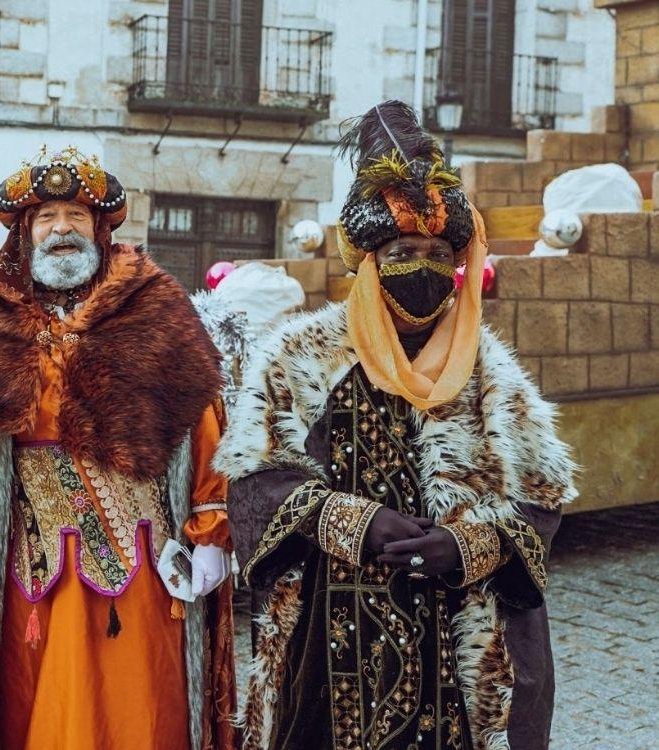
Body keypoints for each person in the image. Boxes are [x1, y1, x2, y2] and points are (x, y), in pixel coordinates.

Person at [216, 101, 576, 750]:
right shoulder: (299, 360)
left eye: (440, 252)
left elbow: (541, 505)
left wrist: (469, 546)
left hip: (454, 637)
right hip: (326, 642)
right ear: (370, 261)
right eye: (404, 250)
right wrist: (351, 521)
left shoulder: (494, 377)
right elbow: (252, 489)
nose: (423, 266)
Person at [0, 147, 237, 750]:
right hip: (28, 568)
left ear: (101, 230)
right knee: (32, 715)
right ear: (25, 234)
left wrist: (210, 529)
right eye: (46, 217)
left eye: (76, 216)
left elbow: (202, 424)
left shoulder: (155, 307)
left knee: (138, 713)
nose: (61, 230)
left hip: (142, 566)